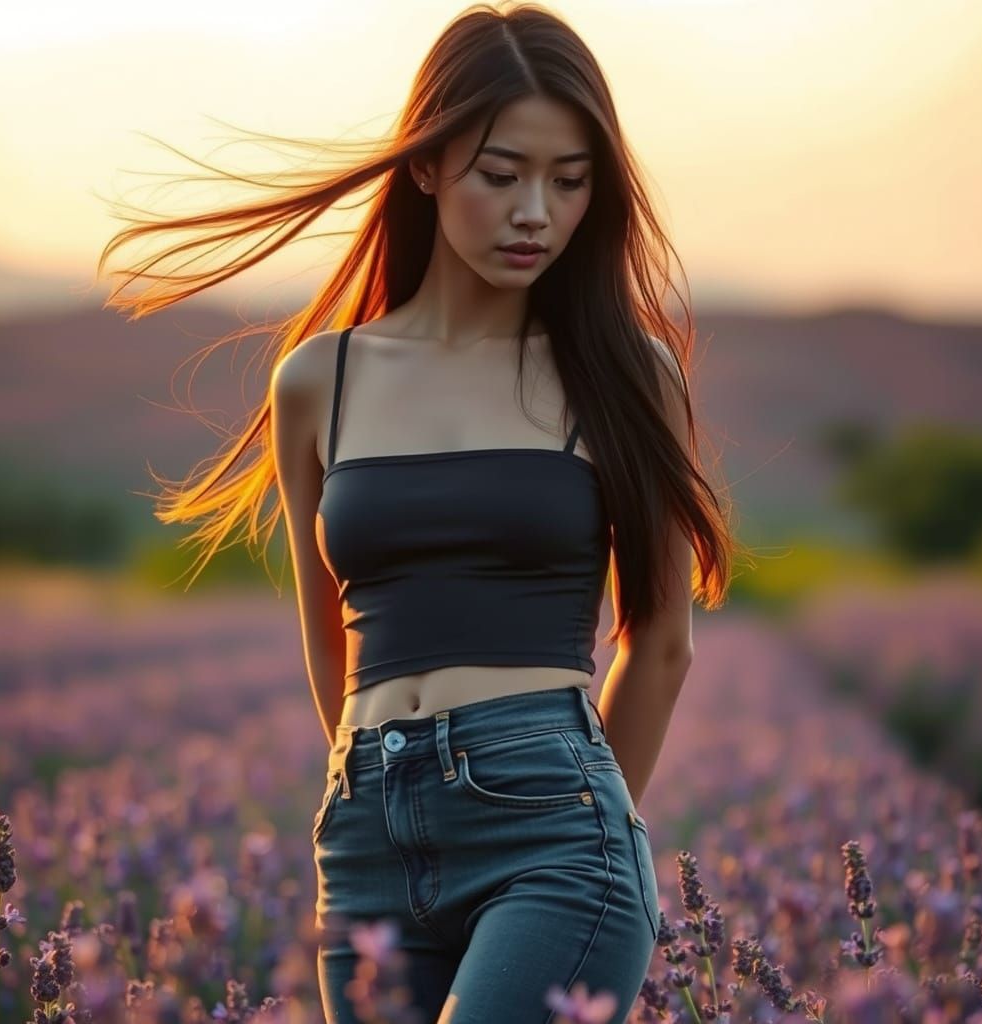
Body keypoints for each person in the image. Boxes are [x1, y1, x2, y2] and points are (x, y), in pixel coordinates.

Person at [98, 4, 738, 1020]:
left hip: (552, 822)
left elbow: (660, 643)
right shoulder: (318, 379)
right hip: (364, 840)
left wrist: (579, 813)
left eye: (570, 181)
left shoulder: (624, 372)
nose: (536, 212)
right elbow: (329, 642)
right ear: (429, 165)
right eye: (502, 174)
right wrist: (384, 792)